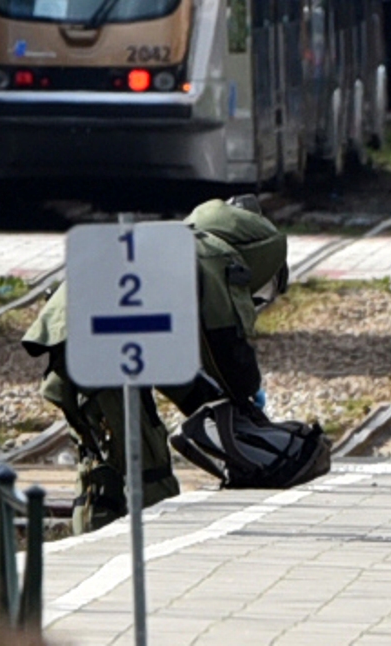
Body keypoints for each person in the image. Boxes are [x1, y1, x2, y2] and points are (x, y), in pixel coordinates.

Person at [21, 196, 288, 534]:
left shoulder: (178, 246)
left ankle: (96, 540)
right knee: (145, 461)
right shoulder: (218, 260)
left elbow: (169, 362)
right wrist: (245, 399)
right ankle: (149, 542)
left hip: (71, 337)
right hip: (101, 343)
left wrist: (211, 403)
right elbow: (225, 348)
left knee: (100, 459)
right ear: (263, 261)